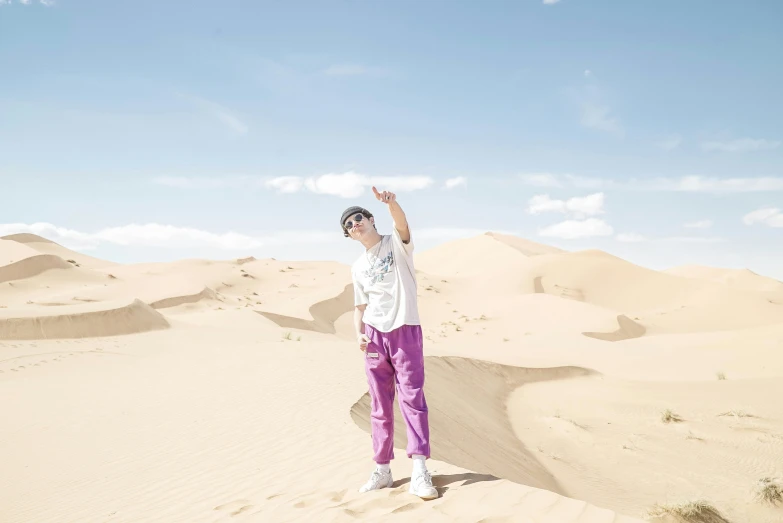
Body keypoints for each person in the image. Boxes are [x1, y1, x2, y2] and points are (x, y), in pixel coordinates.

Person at [341, 186, 438, 500]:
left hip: (405, 329)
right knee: (380, 407)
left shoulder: (396, 245)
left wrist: (391, 204)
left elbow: (401, 224)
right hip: (373, 336)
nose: (354, 224)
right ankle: (382, 469)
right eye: (348, 225)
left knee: (412, 400)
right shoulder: (357, 267)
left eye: (358, 218)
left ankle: (420, 471)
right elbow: (360, 306)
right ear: (349, 235)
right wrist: (358, 333)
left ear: (370, 219)